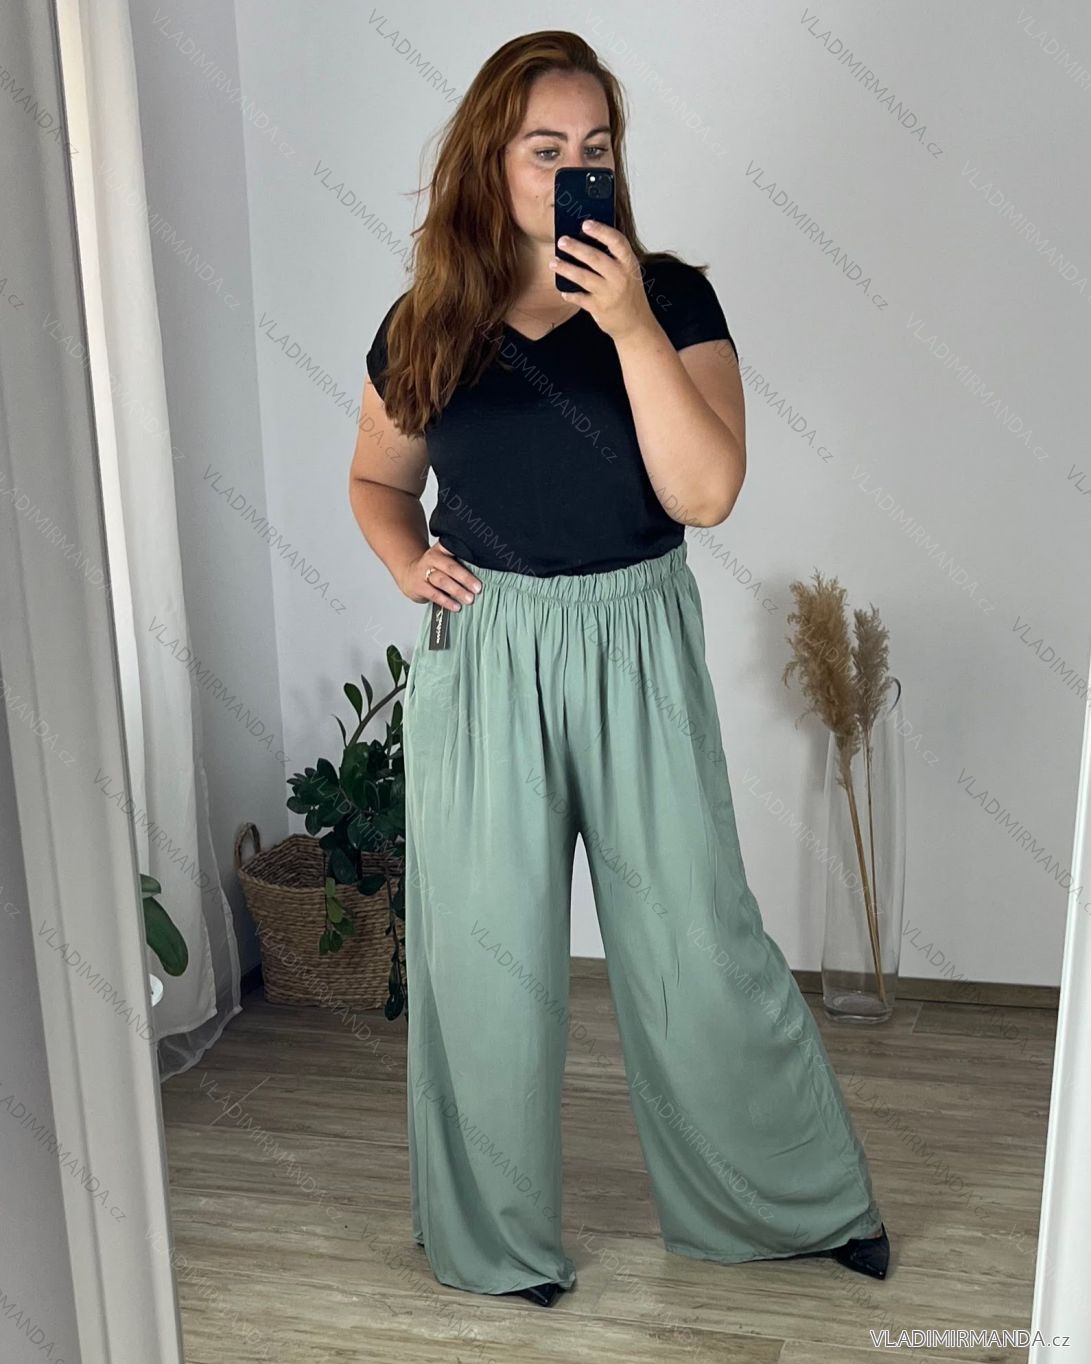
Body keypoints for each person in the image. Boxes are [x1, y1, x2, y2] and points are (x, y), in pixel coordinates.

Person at [348, 30, 889, 1307]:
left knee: (696, 939)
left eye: (593, 147)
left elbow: (705, 492)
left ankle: (784, 1201)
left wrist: (628, 320)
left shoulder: (675, 300)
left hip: (634, 636)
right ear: (490, 160)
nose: (571, 169)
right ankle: (492, 1238)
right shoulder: (427, 320)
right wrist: (404, 559)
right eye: (544, 149)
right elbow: (378, 479)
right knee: (483, 952)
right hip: (486, 651)